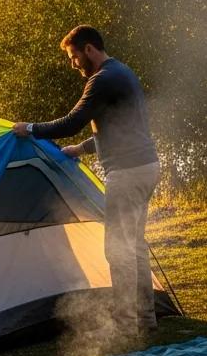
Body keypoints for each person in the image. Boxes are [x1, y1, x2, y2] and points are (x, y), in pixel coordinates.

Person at [13, 25, 160, 338]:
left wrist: (31, 128)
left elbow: (72, 121)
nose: (73, 63)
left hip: (127, 172)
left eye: (73, 56)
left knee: (118, 249)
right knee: (134, 247)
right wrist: (82, 148)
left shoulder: (102, 79)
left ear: (89, 50)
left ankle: (124, 324)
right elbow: (121, 127)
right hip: (147, 166)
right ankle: (145, 319)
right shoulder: (123, 72)